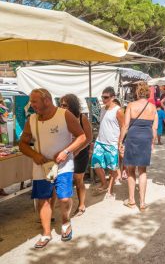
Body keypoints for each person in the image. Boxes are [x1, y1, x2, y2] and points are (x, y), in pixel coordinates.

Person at [19, 88, 86, 248]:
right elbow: (22, 144)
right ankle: (46, 233)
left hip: (63, 166)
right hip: (42, 167)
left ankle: (65, 221)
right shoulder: (32, 120)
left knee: (63, 198)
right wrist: (34, 155)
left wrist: (65, 151)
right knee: (43, 200)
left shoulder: (64, 114)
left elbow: (82, 136)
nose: (31, 104)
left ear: (46, 100)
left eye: (34, 101)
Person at [119, 82, 158, 211]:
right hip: (146, 138)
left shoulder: (131, 105)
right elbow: (155, 128)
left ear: (137, 93)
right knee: (143, 171)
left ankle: (131, 201)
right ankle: (142, 202)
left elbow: (125, 126)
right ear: (148, 93)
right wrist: (152, 142)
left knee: (131, 170)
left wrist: (120, 142)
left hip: (133, 137)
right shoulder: (153, 108)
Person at [60, 94, 92, 217]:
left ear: (72, 106)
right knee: (66, 179)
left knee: (78, 179)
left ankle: (81, 205)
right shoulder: (61, 117)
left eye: (65, 105)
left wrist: (79, 150)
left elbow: (88, 138)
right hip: (66, 152)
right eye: (61, 104)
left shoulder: (82, 118)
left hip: (80, 152)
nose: (62, 107)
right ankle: (66, 204)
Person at [91, 87, 124, 199]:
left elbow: (123, 126)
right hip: (100, 142)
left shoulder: (118, 110)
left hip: (112, 143)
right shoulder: (103, 109)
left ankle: (110, 189)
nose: (104, 99)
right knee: (96, 164)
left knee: (112, 168)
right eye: (102, 97)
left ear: (113, 97)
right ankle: (104, 183)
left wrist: (120, 142)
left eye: (106, 97)